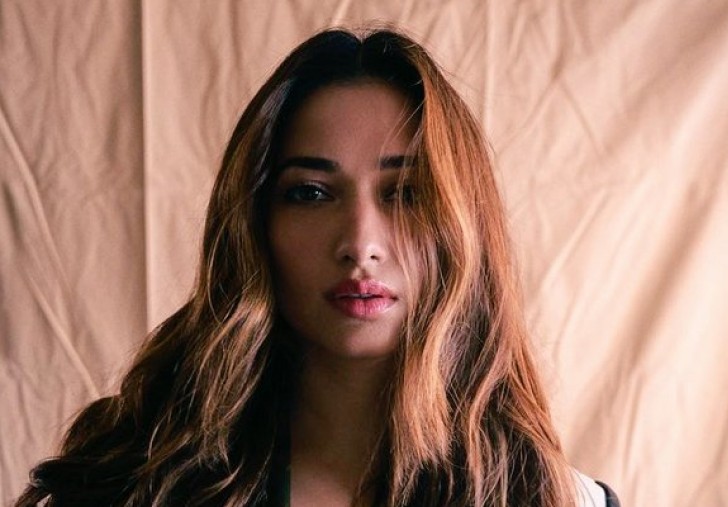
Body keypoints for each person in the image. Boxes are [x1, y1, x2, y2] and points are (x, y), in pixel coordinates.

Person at [16, 27, 619, 506]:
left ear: (466, 227)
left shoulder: (562, 500)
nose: (360, 244)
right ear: (254, 223)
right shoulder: (130, 486)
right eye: (310, 193)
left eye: (407, 193)